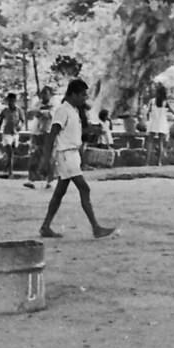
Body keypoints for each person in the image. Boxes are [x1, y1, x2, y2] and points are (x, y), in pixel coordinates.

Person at [39, 79, 115, 240]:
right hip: (66, 155)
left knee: (60, 193)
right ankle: (95, 227)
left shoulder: (73, 110)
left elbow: (72, 132)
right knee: (84, 188)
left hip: (72, 154)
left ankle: (45, 226)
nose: (84, 98)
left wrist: (92, 130)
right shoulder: (63, 110)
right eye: (82, 95)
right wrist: (46, 160)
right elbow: (52, 134)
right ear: (73, 94)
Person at [24, 86, 55, 189]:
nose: (44, 95)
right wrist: (36, 111)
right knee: (34, 155)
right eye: (43, 93)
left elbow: (51, 115)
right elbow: (30, 114)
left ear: (50, 94)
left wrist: (41, 112)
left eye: (46, 93)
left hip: (48, 132)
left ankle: (50, 180)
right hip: (37, 132)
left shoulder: (55, 104)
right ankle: (31, 179)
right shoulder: (37, 103)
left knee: (48, 157)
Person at [0, 92, 26, 179]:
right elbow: (1, 120)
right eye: (9, 100)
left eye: (12, 100)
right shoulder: (5, 110)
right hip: (6, 133)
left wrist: (20, 126)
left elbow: (22, 120)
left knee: (12, 152)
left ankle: (7, 165)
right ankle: (10, 172)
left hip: (15, 133)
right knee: (10, 153)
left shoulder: (19, 110)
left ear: (15, 101)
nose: (11, 102)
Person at [144, 83, 173, 166]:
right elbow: (172, 111)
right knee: (160, 142)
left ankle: (147, 162)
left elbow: (148, 112)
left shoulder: (152, 101)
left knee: (150, 141)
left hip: (153, 122)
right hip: (162, 122)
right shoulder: (165, 102)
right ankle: (159, 162)